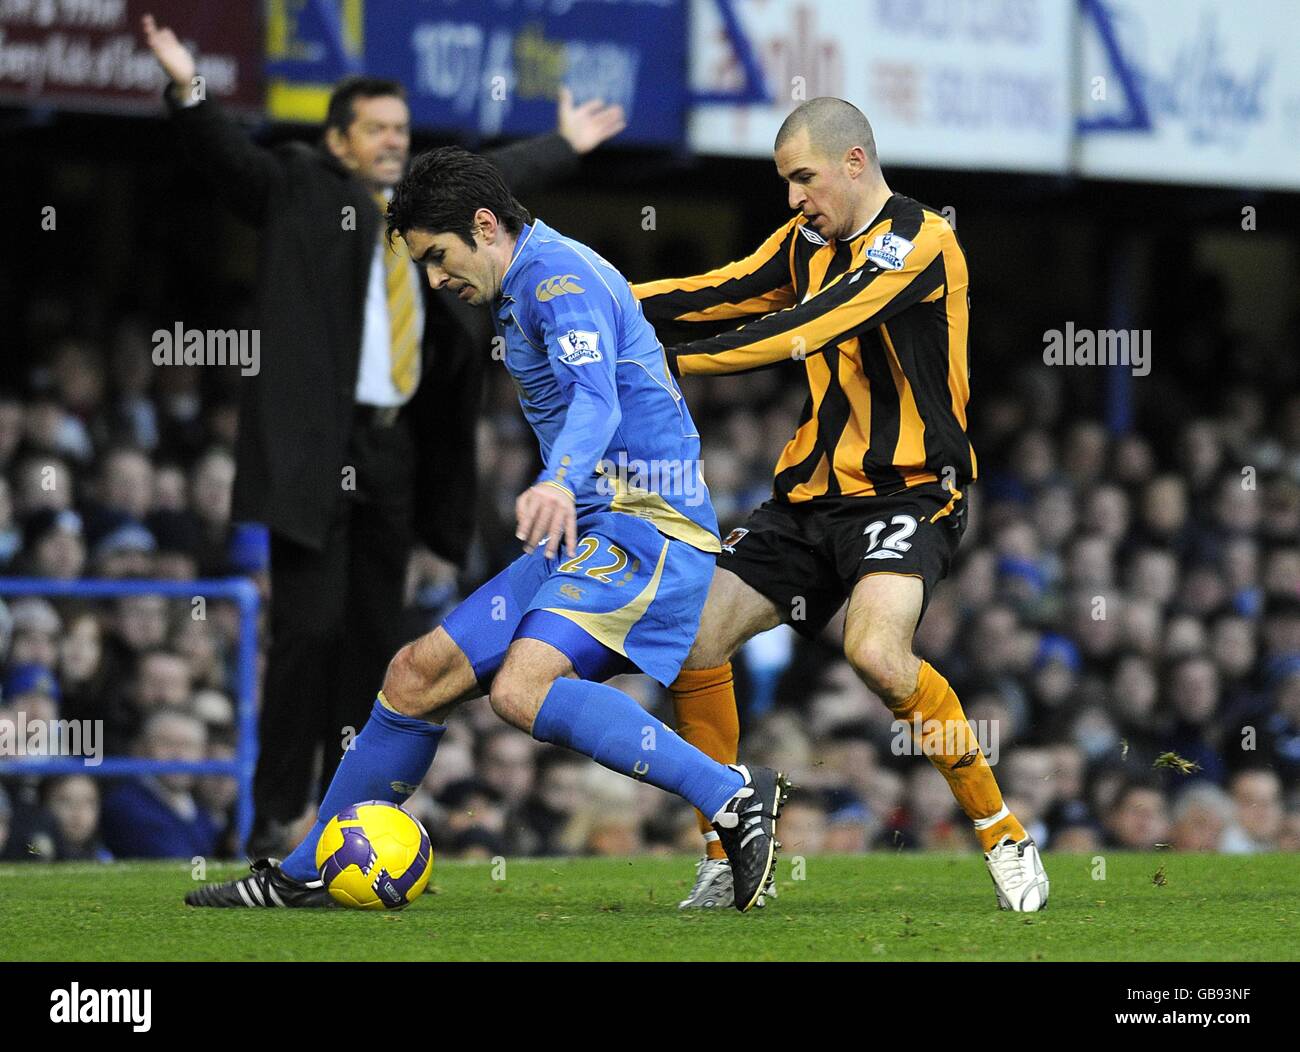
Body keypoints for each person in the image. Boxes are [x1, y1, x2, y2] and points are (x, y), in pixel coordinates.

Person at [185, 147, 788, 913]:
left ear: (484, 225)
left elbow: (594, 402)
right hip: (595, 530)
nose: (435, 280)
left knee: (522, 691)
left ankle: (731, 794)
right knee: (414, 677)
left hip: (649, 529)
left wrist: (559, 481)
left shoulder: (555, 280)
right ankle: (308, 870)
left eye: (438, 258)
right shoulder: (527, 280)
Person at [142, 15, 627, 857]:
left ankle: (349, 819)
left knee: (376, 638)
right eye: (378, 130)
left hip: (395, 451)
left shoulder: (425, 214)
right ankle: (272, 816)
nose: (394, 143)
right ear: (337, 138)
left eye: (403, 130)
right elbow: (228, 158)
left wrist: (567, 141)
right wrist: (188, 86)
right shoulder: (299, 187)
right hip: (313, 452)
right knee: (308, 634)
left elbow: (499, 179)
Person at [632, 97, 1049, 911]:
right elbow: (713, 291)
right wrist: (590, 300)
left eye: (804, 179)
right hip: (806, 500)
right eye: (787, 183)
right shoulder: (803, 244)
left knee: (877, 657)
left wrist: (669, 369)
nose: (794, 199)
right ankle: (729, 856)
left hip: (908, 490)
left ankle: (1001, 830)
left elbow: (806, 330)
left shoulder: (919, 241)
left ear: (854, 162)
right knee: (692, 645)